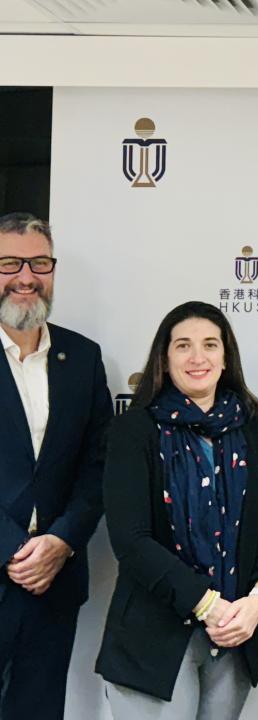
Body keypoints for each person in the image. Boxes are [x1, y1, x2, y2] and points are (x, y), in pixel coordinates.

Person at [96, 301, 258, 720]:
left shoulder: (253, 426)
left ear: (226, 357)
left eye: (210, 345)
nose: (197, 357)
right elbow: (130, 541)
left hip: (237, 635)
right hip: (154, 640)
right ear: (165, 358)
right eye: (183, 345)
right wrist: (208, 605)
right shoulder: (135, 429)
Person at [0, 212, 112, 719]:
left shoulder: (83, 358)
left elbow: (98, 467)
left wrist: (62, 541)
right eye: (10, 263)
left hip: (55, 579)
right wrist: (15, 550)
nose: (26, 277)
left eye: (39, 262)